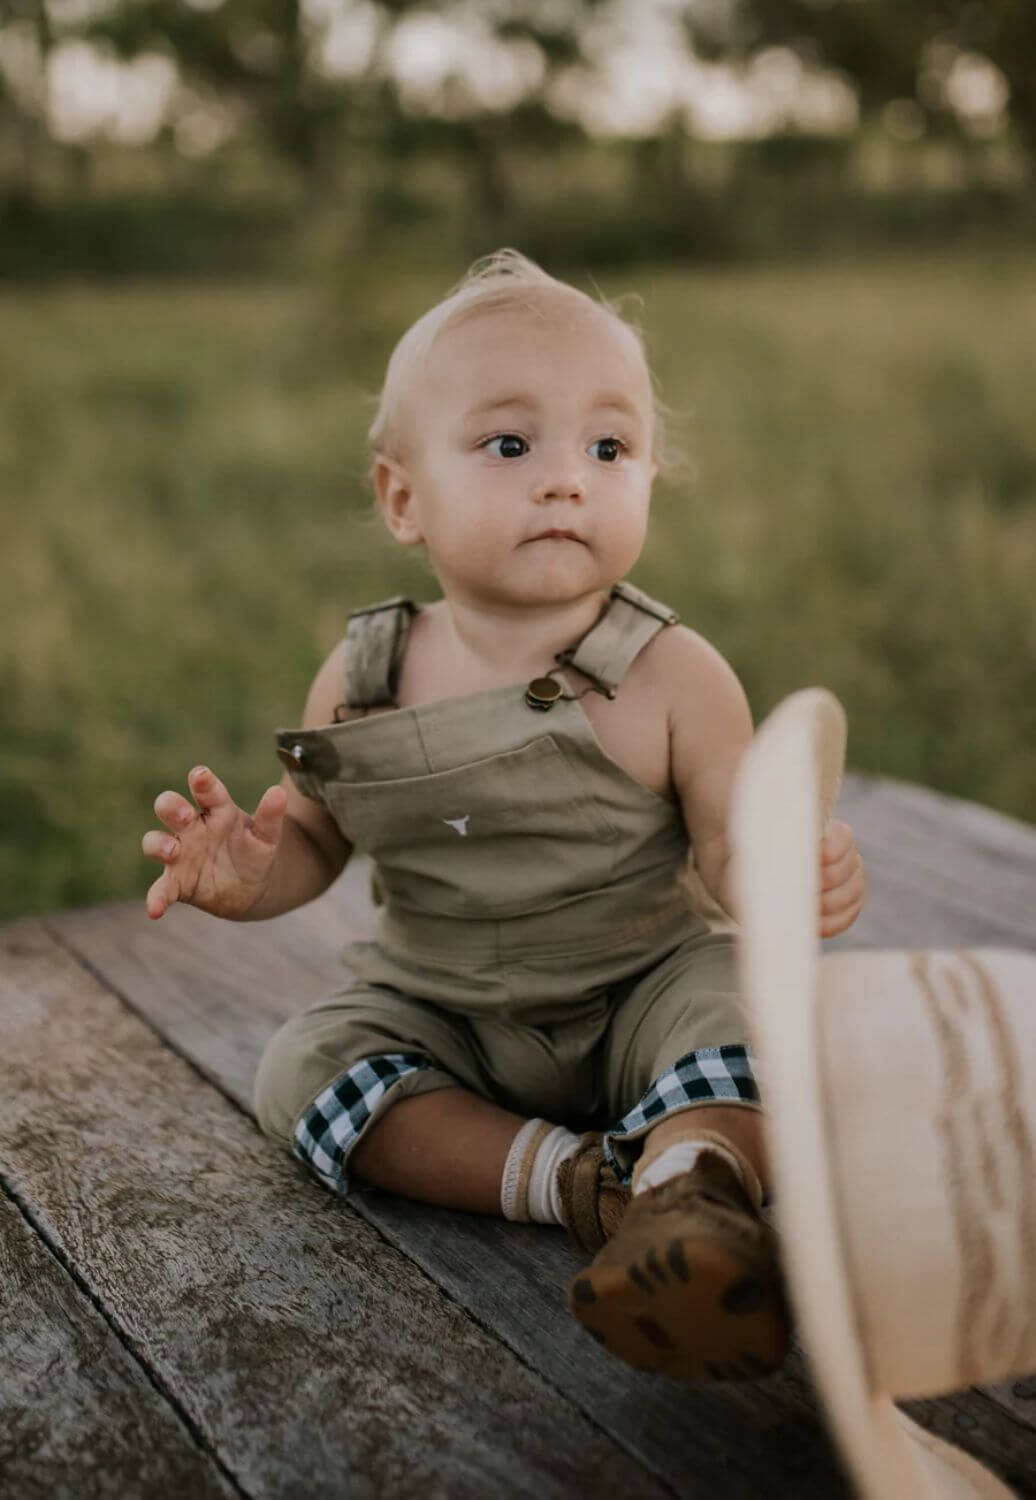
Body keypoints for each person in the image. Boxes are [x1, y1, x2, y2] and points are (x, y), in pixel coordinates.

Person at [141, 249, 867, 1382]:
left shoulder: (672, 671)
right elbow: (323, 838)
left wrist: (778, 874)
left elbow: (730, 844)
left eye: (608, 447)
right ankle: (581, 1186)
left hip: (643, 985)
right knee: (305, 1068)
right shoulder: (365, 671)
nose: (566, 478)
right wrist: (254, 873)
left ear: (646, 476)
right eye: (511, 444)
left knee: (756, 1013)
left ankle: (692, 1195)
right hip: (447, 1008)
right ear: (401, 498)